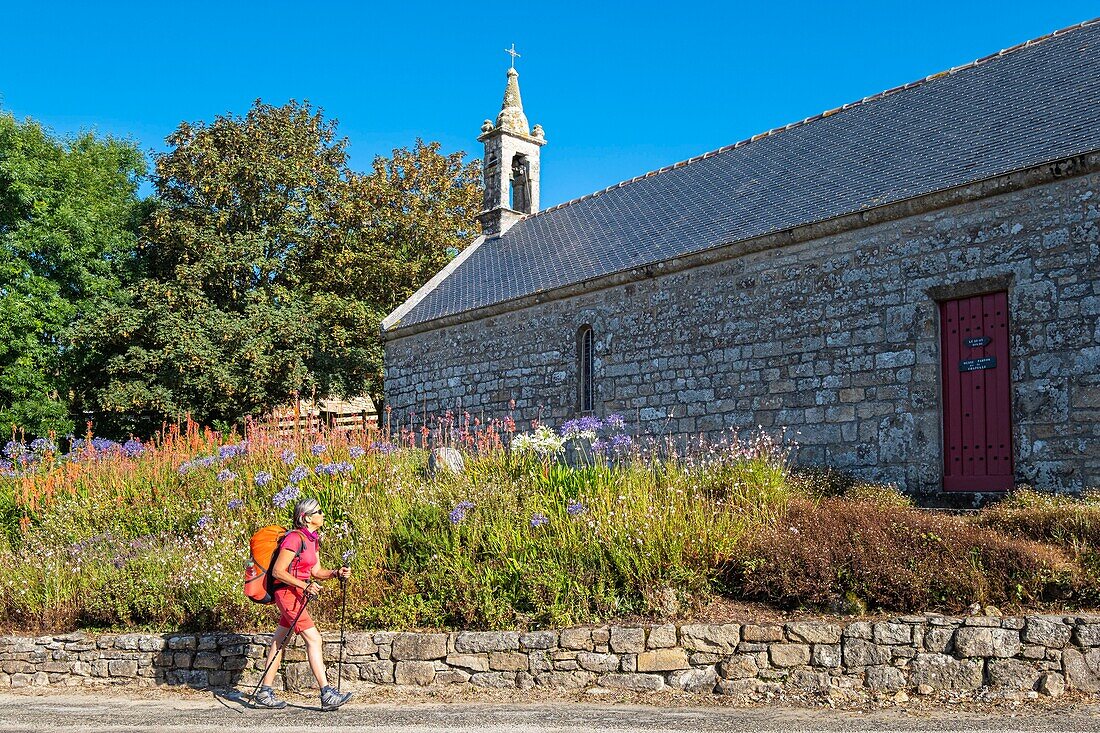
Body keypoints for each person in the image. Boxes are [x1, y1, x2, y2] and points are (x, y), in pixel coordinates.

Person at [254, 497, 352, 711]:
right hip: (288, 594)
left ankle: (264, 693)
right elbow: (278, 571)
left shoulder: (312, 539)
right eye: (319, 511)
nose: (322, 514)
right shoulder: (294, 539)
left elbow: (316, 571)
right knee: (314, 639)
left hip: (298, 594)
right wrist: (305, 586)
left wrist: (336, 573)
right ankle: (326, 693)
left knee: (280, 641)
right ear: (306, 518)